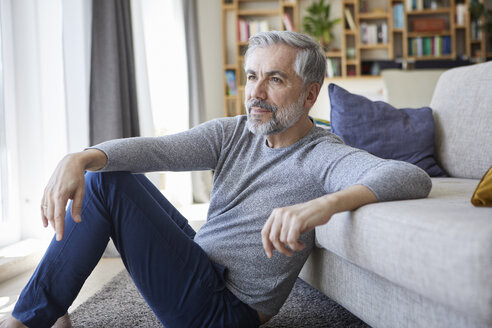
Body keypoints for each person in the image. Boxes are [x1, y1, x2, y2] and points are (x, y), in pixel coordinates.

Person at [1, 31, 431, 328]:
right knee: (104, 171)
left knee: (104, 184)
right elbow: (158, 149)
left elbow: (408, 176)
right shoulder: (234, 132)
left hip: (222, 310)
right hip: (201, 263)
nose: (256, 92)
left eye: (275, 79)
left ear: (310, 95)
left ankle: (25, 318)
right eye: (251, 76)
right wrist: (80, 156)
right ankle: (49, 300)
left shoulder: (322, 155)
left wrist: (324, 204)